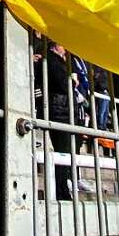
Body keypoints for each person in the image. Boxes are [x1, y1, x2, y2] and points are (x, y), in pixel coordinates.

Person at [34, 43, 76, 200]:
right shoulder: (51, 60)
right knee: (62, 152)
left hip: (61, 109)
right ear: (56, 46)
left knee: (64, 152)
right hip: (58, 111)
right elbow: (62, 84)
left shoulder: (57, 61)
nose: (66, 49)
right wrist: (71, 81)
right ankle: (61, 191)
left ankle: (63, 188)